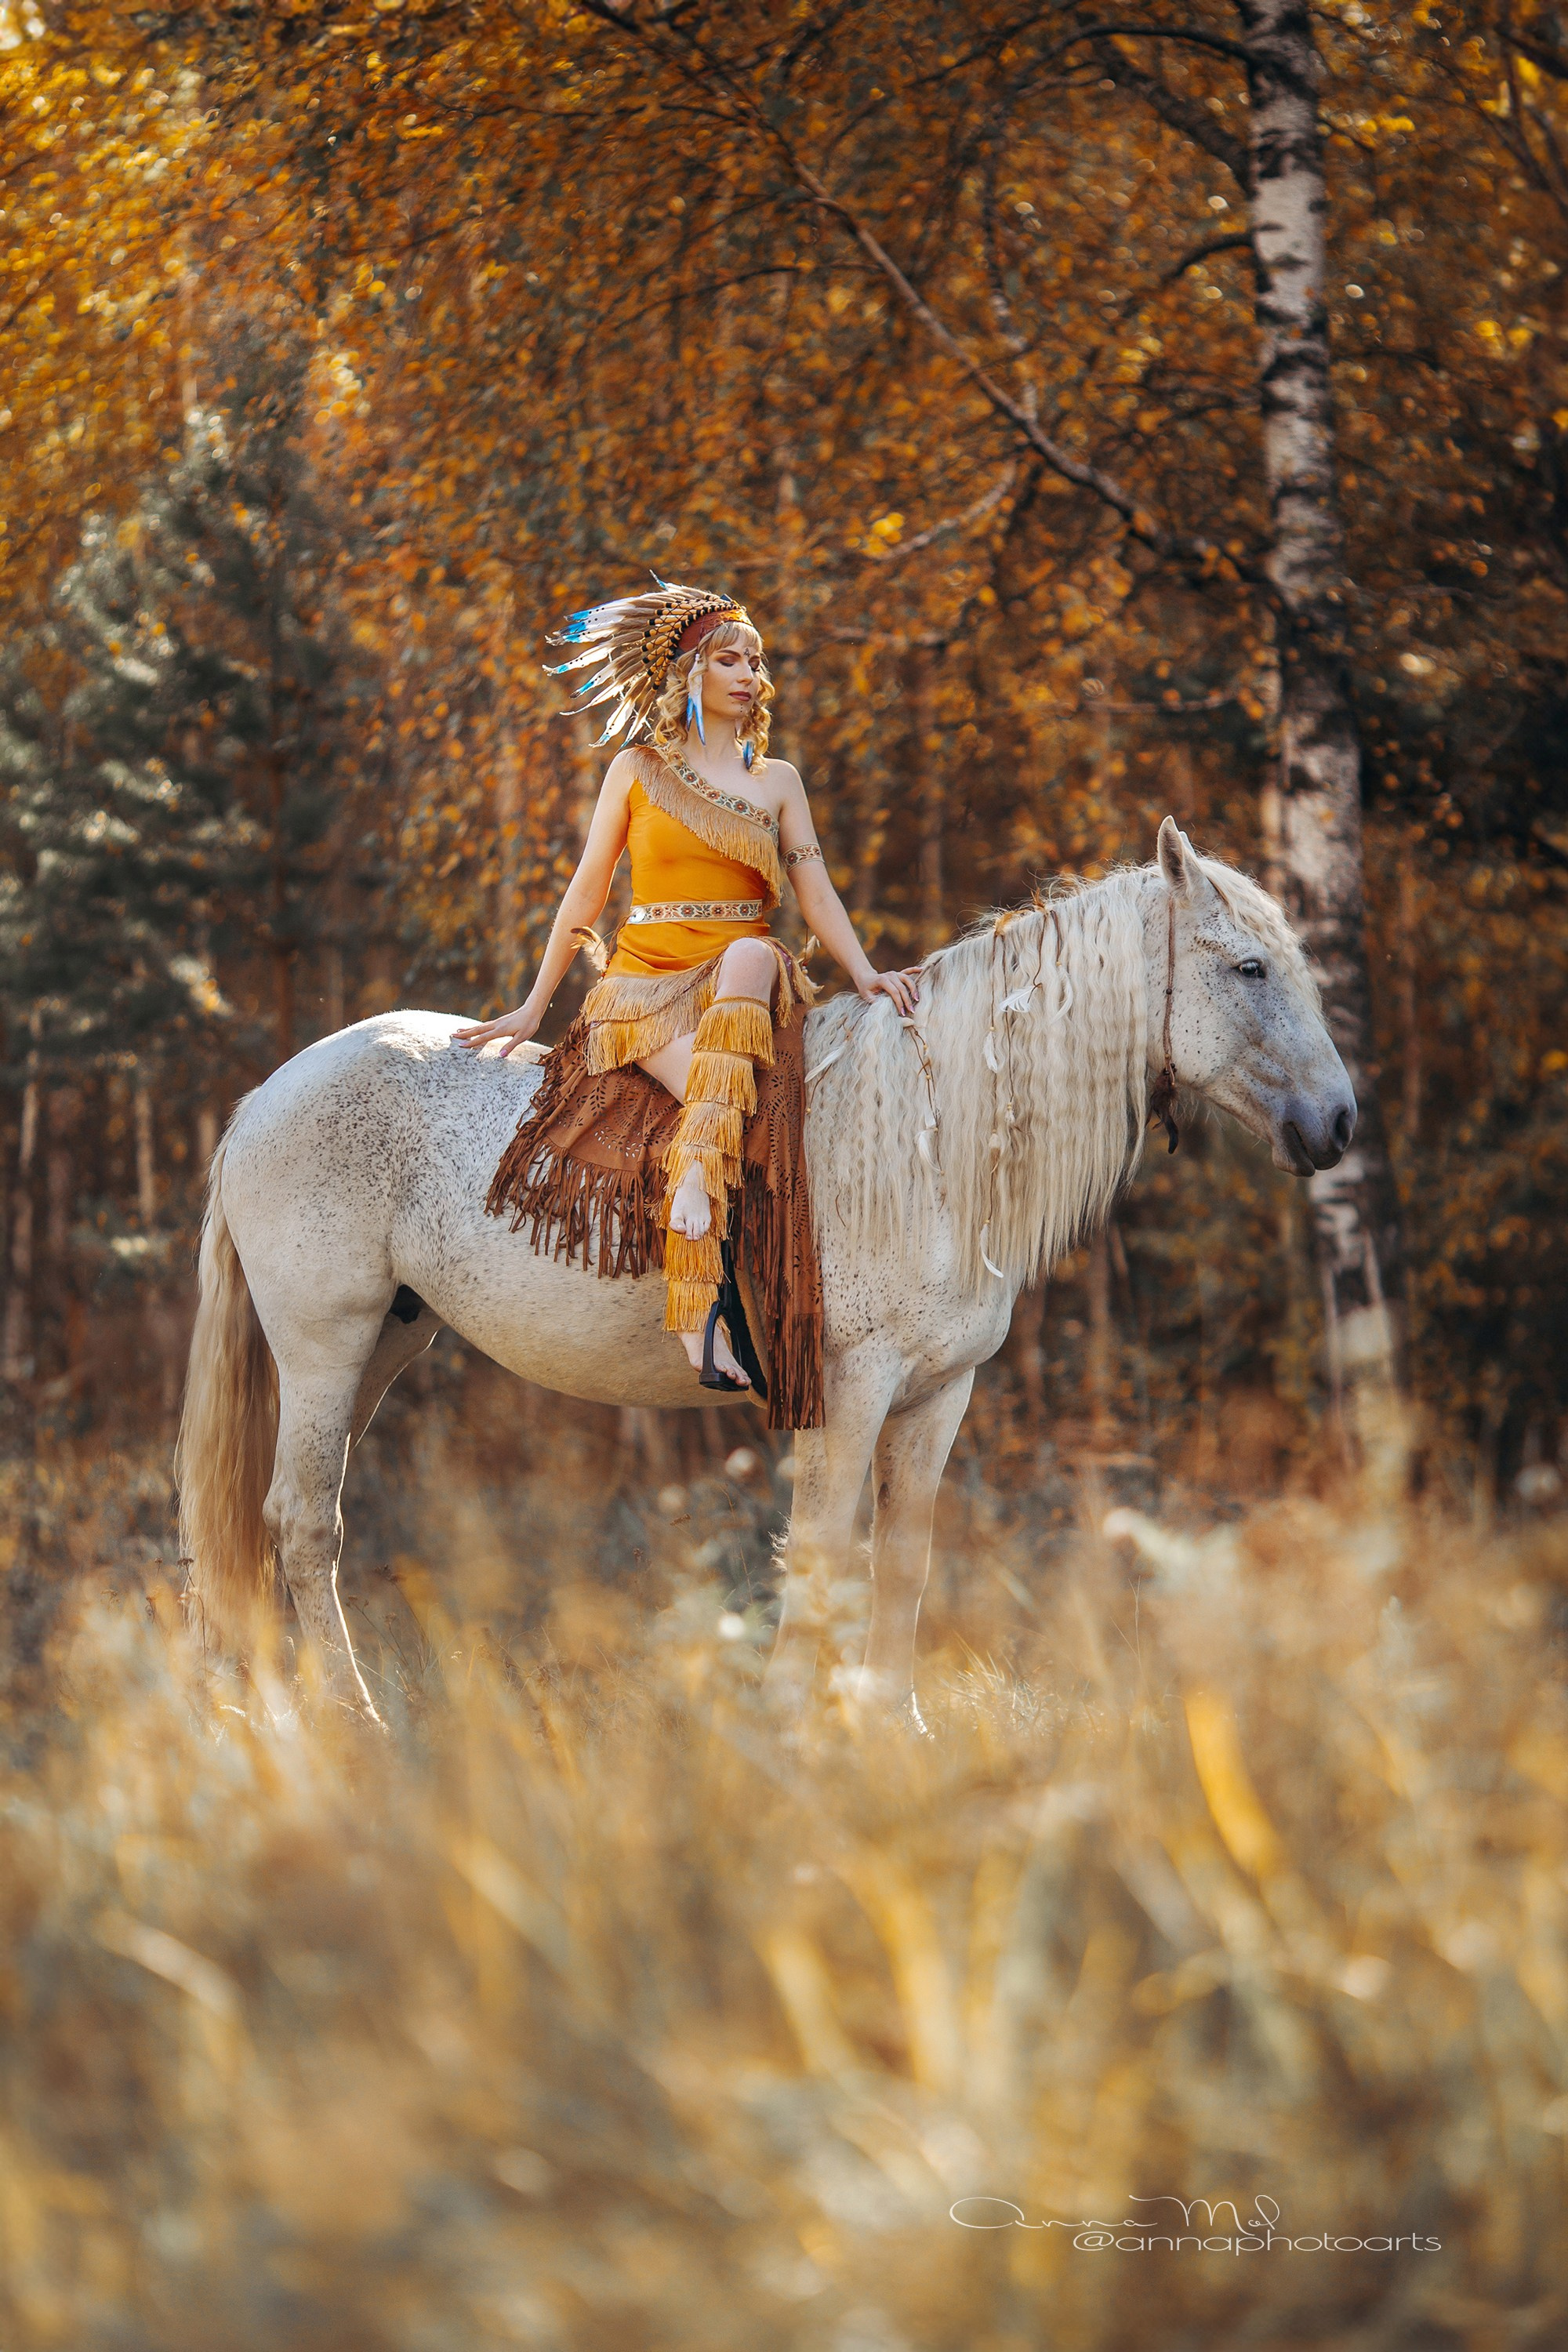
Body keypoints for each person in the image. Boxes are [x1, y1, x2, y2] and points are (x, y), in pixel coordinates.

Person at [456, 580, 920, 1389]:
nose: (750, 675)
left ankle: (692, 1202)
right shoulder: (635, 769)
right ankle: (694, 1309)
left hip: (737, 987)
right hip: (640, 992)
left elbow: (814, 894)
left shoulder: (778, 780)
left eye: (756, 661)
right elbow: (588, 892)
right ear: (687, 674)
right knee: (718, 1095)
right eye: (729, 659)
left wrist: (867, 972)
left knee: (753, 956)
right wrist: (534, 1003)